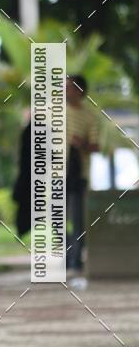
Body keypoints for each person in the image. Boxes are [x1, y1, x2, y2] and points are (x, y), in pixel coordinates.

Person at [66, 74, 99, 274]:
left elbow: (96, 147)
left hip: (78, 175)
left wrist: (82, 144)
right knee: (55, 219)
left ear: (79, 91)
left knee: (78, 219)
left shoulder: (90, 116)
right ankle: (72, 254)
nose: (64, 91)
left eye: (68, 87)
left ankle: (76, 261)